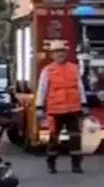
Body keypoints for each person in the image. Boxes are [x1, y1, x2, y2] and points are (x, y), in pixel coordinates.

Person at [36, 42, 88, 175]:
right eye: (57, 52)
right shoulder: (47, 70)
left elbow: (80, 87)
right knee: (54, 138)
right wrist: (39, 106)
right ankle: (51, 164)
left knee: (75, 138)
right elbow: (42, 89)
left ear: (66, 53)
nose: (60, 54)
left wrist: (84, 104)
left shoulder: (74, 68)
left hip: (73, 110)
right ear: (52, 55)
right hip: (55, 111)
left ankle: (76, 165)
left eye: (62, 51)